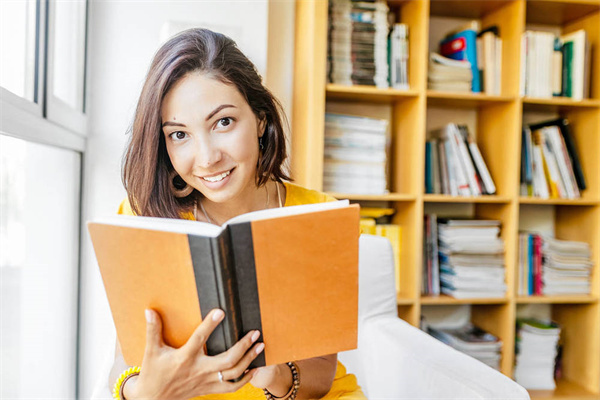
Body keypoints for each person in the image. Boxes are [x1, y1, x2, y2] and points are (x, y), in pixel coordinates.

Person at [110, 28, 366, 400]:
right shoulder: (142, 217)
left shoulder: (319, 215)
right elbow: (126, 361)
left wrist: (273, 375)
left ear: (261, 119)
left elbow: (322, 374)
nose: (208, 157)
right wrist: (146, 391)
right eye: (179, 135)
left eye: (223, 122)